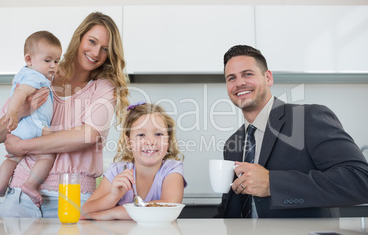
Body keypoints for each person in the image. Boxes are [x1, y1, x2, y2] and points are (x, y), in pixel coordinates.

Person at [0, 12, 130, 218]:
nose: (95, 52)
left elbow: (88, 135)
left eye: (104, 49)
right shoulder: (40, 73)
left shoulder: (103, 88)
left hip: (75, 198)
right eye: (92, 41)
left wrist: (23, 146)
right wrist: (22, 111)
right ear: (79, 37)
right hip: (20, 195)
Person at [215, 45, 368, 218]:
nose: (240, 83)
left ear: (268, 78)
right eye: (231, 78)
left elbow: (360, 180)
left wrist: (272, 184)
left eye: (248, 74)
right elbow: (230, 206)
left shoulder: (307, 118)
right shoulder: (232, 143)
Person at [81, 102, 187, 220]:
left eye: (158, 134)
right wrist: (113, 196)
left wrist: (112, 213)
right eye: (141, 135)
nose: (150, 141)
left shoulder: (172, 169)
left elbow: (168, 206)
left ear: (168, 140)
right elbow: (86, 210)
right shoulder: (117, 171)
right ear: (128, 142)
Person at [0, 31, 62, 208]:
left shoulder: (26, 74)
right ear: (29, 59)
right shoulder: (35, 76)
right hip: (34, 126)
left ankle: (1, 185)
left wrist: (13, 115)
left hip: (20, 129)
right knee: (47, 155)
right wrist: (14, 112)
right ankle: (30, 184)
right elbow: (21, 93)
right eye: (47, 61)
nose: (53, 66)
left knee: (12, 159)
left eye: (56, 61)